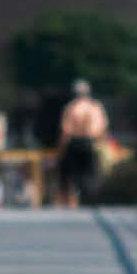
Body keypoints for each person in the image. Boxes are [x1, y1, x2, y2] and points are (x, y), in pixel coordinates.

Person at [57, 79, 107, 208]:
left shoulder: (71, 107)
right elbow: (101, 128)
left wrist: (61, 147)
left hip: (74, 143)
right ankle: (91, 199)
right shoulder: (95, 106)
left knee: (73, 173)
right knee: (91, 172)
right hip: (90, 143)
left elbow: (65, 130)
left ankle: (74, 199)